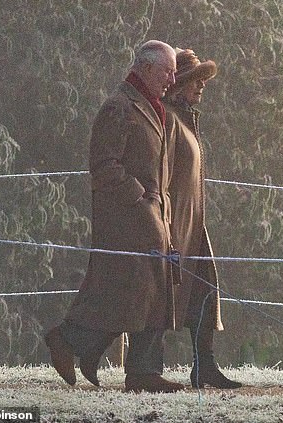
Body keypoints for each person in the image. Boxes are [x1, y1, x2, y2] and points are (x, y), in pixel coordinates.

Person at [44, 39, 185, 393]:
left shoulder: (154, 108)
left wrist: (160, 209)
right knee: (124, 294)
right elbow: (104, 166)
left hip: (153, 217)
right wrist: (140, 200)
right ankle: (69, 341)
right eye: (168, 71)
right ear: (147, 68)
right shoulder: (119, 108)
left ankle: (138, 369)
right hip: (127, 221)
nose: (172, 80)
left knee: (146, 291)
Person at [164, 48, 241, 389]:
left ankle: (204, 364)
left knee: (205, 287)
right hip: (174, 221)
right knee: (156, 295)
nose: (201, 87)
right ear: (179, 83)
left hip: (193, 220)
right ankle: (82, 343)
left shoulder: (185, 116)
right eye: (196, 81)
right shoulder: (166, 117)